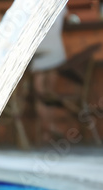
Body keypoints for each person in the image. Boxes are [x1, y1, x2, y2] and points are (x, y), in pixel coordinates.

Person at [30, 6, 68, 143]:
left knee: (44, 93)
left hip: (46, 50)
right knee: (44, 93)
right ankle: (49, 129)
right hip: (45, 50)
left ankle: (48, 130)